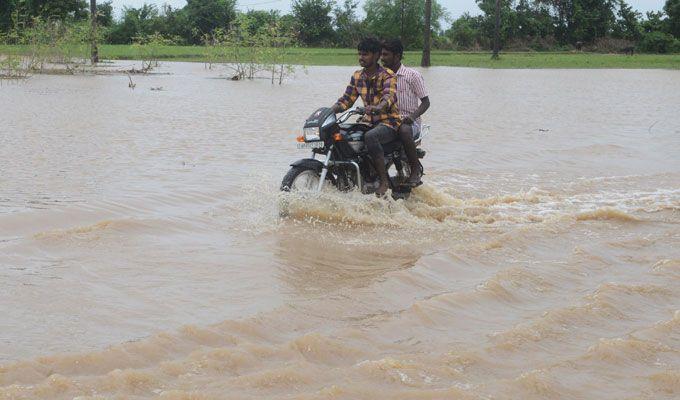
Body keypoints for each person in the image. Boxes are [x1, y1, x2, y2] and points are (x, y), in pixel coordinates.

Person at [331, 37, 401, 197]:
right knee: (338, 134)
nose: (361, 57)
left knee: (370, 137)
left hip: (388, 122)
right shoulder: (357, 76)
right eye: (360, 54)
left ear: (377, 55)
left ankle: (383, 181)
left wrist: (378, 107)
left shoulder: (388, 75)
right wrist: (328, 111)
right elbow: (346, 100)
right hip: (367, 121)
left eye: (366, 54)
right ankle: (348, 175)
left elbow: (388, 97)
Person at [380, 38, 430, 186]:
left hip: (408, 122)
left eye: (386, 54)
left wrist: (412, 117)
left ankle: (414, 170)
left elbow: (426, 102)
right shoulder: (380, 76)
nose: (382, 58)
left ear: (397, 56)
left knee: (404, 129)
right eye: (381, 54)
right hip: (386, 121)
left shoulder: (412, 75)